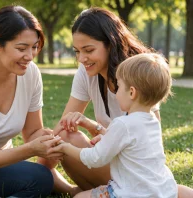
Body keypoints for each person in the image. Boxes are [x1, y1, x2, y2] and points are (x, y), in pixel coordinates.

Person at [53, 7, 193, 198]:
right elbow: (65, 128)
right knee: (157, 186)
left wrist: (77, 145)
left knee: (140, 185)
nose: (81, 59)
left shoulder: (137, 74)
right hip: (140, 172)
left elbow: (105, 153)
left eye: (89, 50)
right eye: (77, 51)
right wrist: (94, 128)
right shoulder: (90, 76)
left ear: (110, 43)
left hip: (131, 171)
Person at [0, 5, 76, 197]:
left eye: (34, 47)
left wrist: (52, 140)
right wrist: (29, 150)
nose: (30, 56)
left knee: (41, 178)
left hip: (1, 165)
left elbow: (33, 132)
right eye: (21, 48)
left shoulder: (30, 73)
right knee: (40, 178)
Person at [50, 53, 178, 198]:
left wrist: (65, 147)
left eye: (119, 86)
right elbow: (126, 141)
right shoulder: (152, 122)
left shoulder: (123, 124)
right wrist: (96, 128)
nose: (116, 93)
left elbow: (95, 158)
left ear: (131, 92)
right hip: (163, 192)